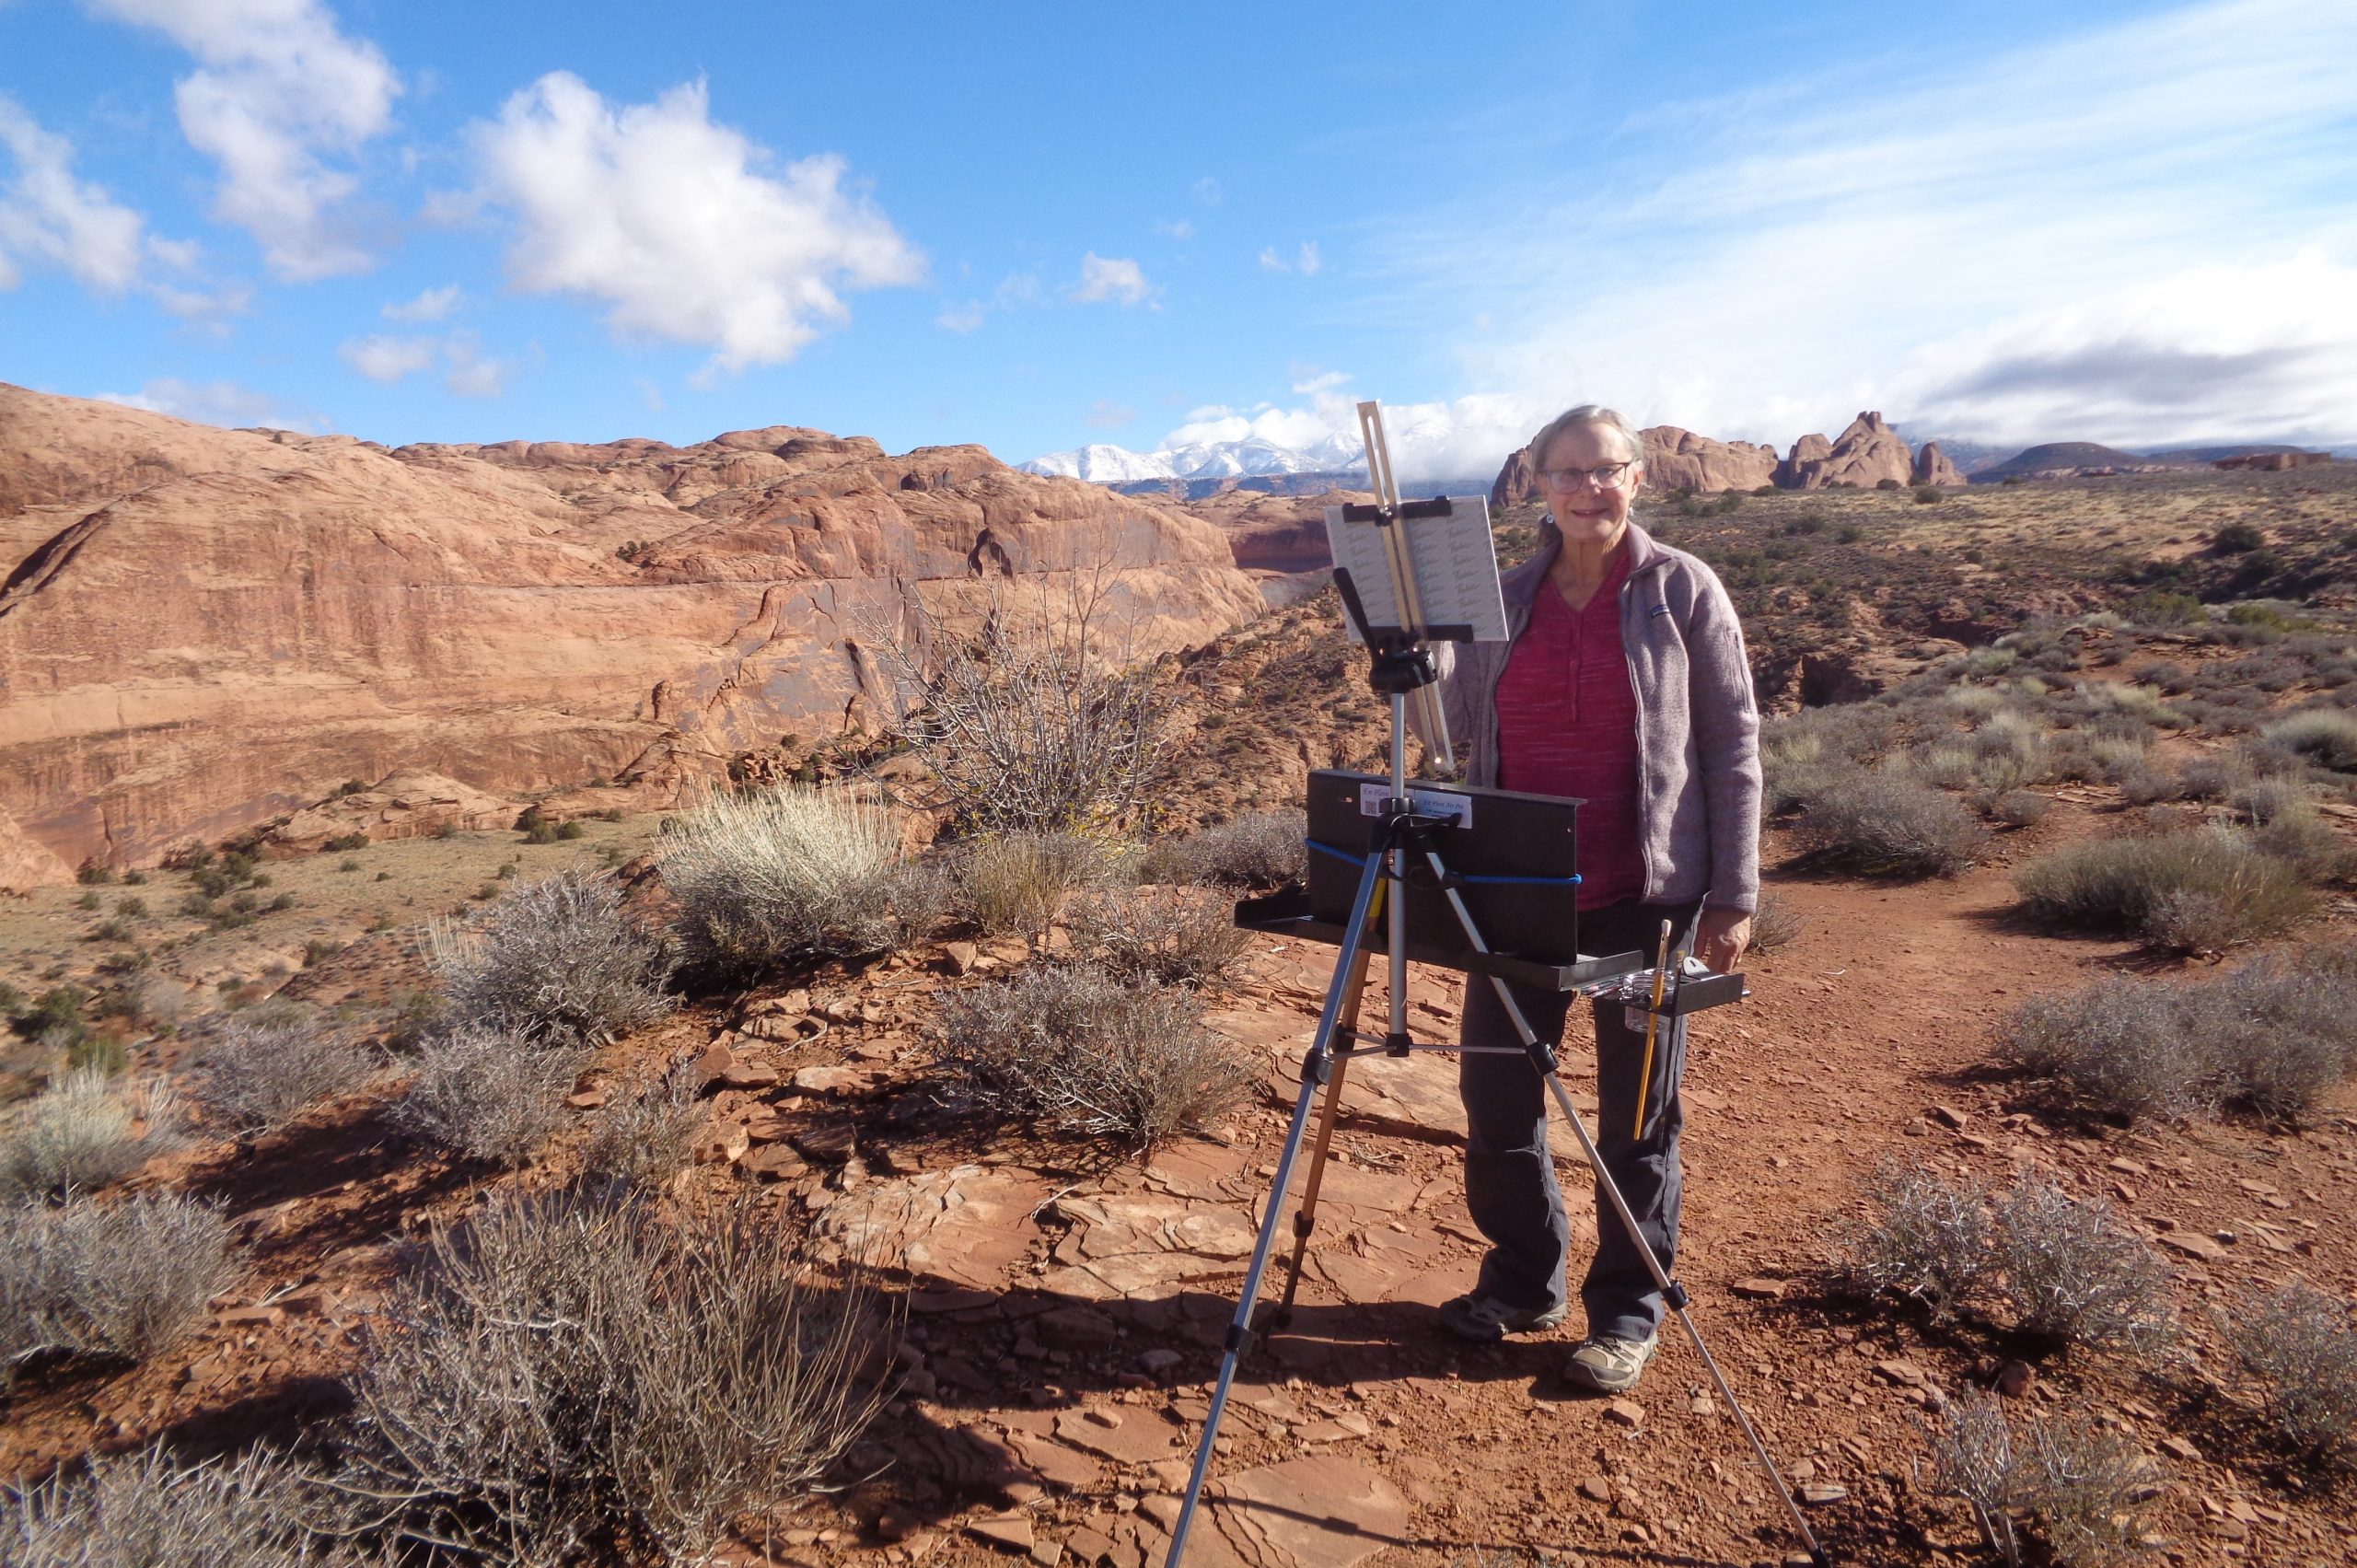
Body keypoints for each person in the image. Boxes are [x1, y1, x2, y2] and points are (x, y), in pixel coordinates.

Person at [1429, 403, 1761, 1394]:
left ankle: (1625, 1309)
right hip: (1516, 894)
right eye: (1567, 472)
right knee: (1496, 1100)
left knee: (1637, 1117)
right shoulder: (1507, 596)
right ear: (1534, 482)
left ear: (1635, 478)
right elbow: (1452, 730)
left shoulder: (1679, 591)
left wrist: (1732, 893)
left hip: (1645, 899)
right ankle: (1525, 1279)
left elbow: (1733, 744)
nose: (1588, 489)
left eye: (1605, 469)